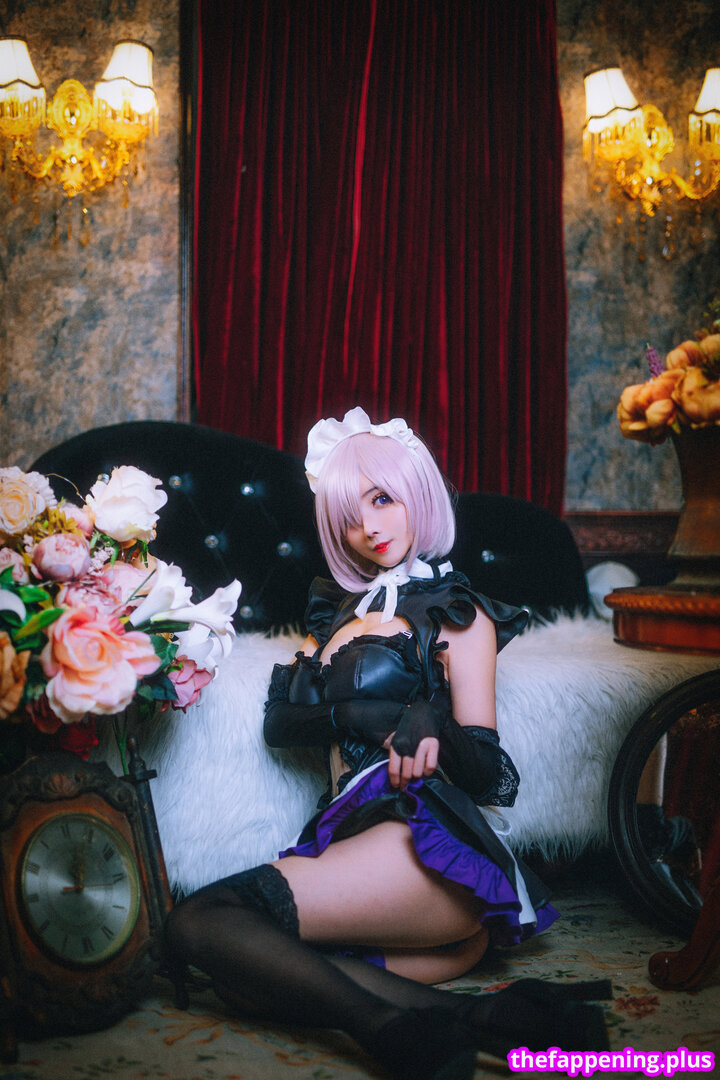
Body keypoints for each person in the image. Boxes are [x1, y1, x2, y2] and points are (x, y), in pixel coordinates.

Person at [165, 407, 611, 1079]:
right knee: (249, 980)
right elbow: (281, 724)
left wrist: (433, 720)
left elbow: (490, 775)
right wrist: (376, 716)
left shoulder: (458, 613)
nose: (368, 527)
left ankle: (391, 1037)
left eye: (382, 500)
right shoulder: (336, 617)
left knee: (199, 920)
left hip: (423, 844)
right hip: (352, 842)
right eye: (349, 516)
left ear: (417, 495)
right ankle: (499, 1019)